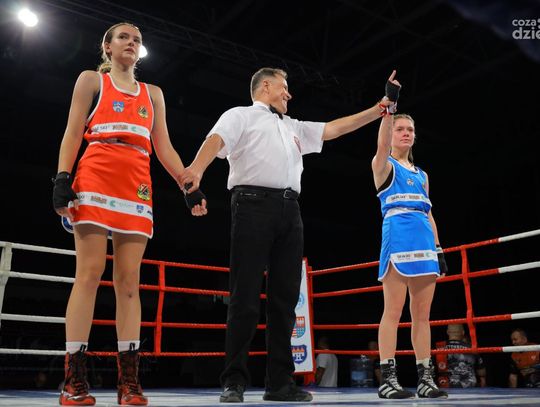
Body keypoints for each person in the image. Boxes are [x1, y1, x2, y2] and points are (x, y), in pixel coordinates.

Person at [179, 67, 399, 403]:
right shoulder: (240, 115)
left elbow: (334, 129)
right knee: (244, 297)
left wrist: (379, 108)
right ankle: (233, 381)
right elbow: (216, 140)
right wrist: (196, 170)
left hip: (290, 210)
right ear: (265, 86)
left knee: (284, 301)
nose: (289, 94)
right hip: (251, 204)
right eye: (284, 87)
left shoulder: (293, 126)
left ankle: (279, 384)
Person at [52, 22, 207, 406]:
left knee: (128, 282)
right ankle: (74, 381)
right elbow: (72, 131)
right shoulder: (91, 80)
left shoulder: (153, 93)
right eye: (123, 37)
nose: (131, 43)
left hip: (136, 182)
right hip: (95, 174)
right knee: (89, 274)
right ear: (107, 46)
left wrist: (188, 186)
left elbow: (164, 146)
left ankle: (129, 383)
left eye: (136, 40)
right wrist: (62, 178)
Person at [371, 112, 448, 399]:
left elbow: (429, 213)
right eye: (400, 129)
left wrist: (439, 248)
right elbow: (381, 145)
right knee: (393, 311)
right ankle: (387, 379)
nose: (406, 133)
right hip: (398, 237)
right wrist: (388, 112)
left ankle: (426, 378)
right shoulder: (383, 165)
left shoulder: (422, 175)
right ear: (390, 134)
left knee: (422, 315)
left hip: (424, 241)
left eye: (410, 130)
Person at [436, 324, 486, 388]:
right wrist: (483, 380)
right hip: (470, 387)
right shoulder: (471, 347)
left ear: (447, 332)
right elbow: (481, 372)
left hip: (445, 386)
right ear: (463, 332)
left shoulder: (439, 347)